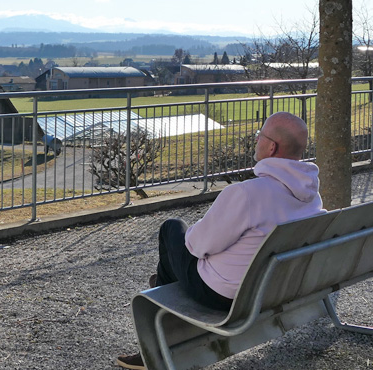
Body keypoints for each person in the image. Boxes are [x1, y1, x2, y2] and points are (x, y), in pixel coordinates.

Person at [116, 111, 325, 370]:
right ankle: (165, 296)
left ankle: (160, 345)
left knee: (172, 229)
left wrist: (194, 234)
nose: (256, 139)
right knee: (176, 260)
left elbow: (197, 246)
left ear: (271, 147)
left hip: (226, 295)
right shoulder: (311, 194)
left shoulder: (247, 194)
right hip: (276, 287)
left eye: (261, 135)